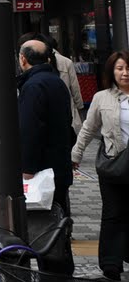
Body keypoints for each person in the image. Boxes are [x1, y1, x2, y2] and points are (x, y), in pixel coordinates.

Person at [17, 37, 74, 275]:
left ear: (23, 59)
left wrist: (27, 168)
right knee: (57, 227)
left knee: (44, 231)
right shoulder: (55, 81)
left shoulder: (33, 86)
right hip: (59, 167)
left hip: (42, 171)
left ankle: (52, 274)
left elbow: (30, 130)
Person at [71, 51, 129, 281]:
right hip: (114, 164)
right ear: (111, 72)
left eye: (128, 68)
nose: (125, 73)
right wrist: (76, 153)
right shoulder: (102, 98)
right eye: (120, 68)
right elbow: (88, 128)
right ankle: (111, 264)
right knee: (113, 214)